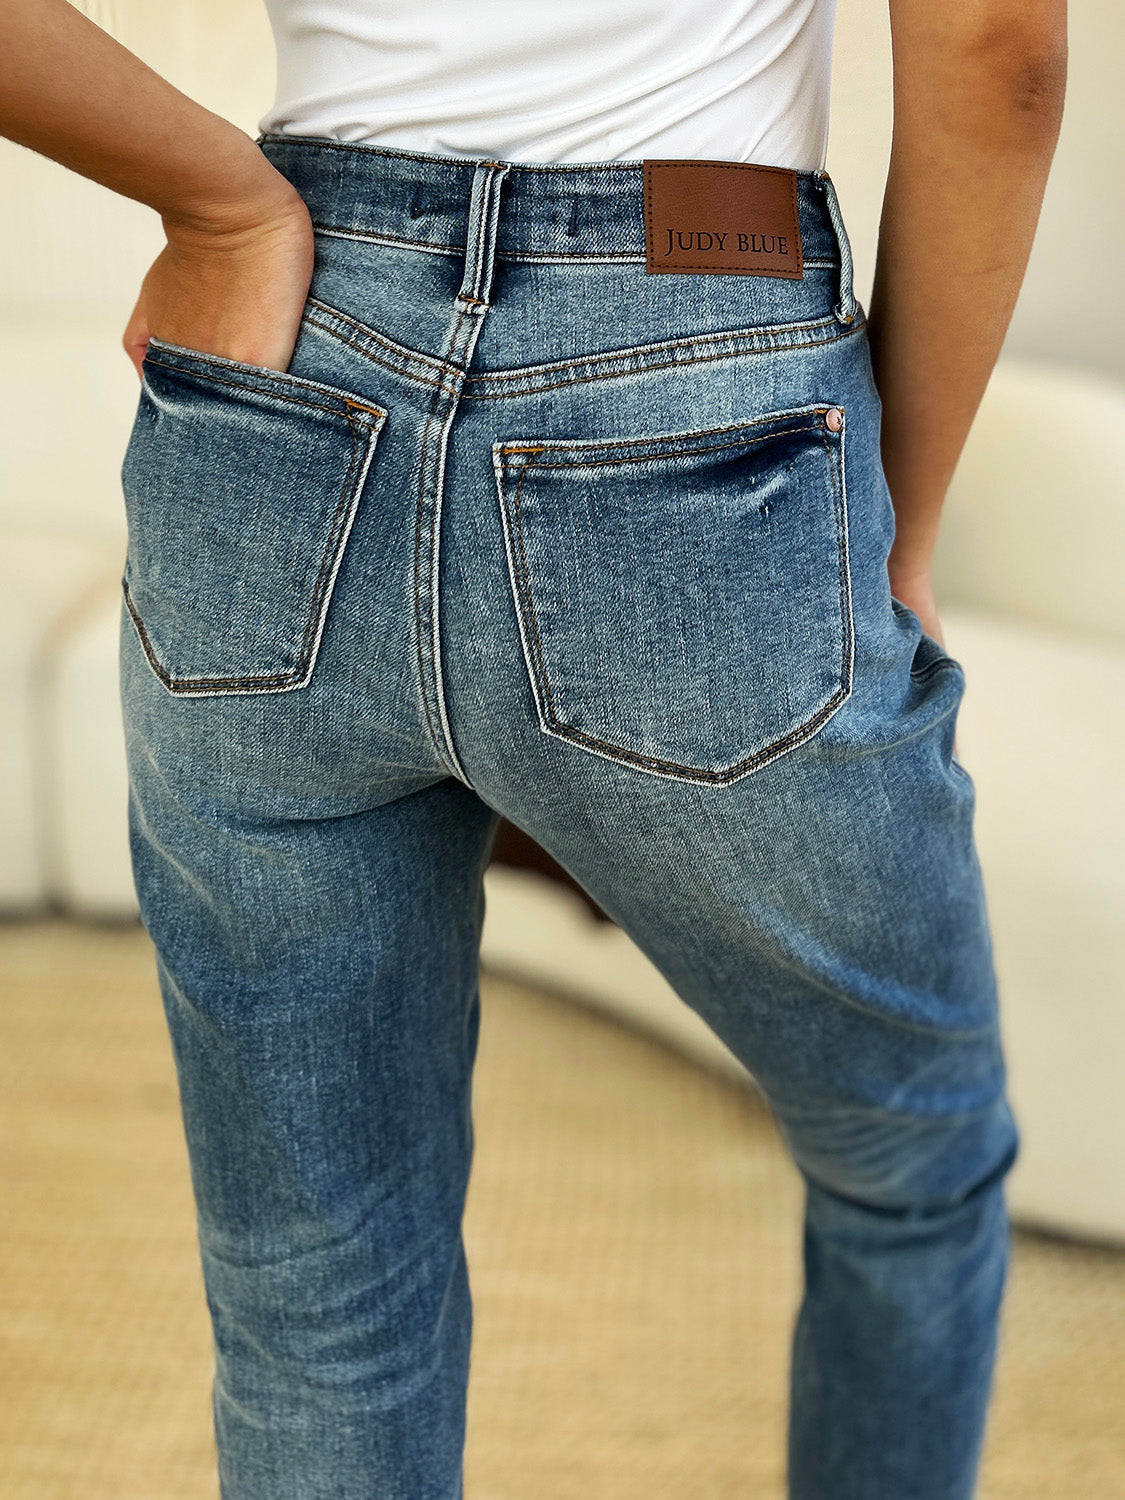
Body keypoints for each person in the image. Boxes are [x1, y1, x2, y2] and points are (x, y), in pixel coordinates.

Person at [0, 1, 1067, 1496]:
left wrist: (216, 201)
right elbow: (995, 46)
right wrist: (903, 516)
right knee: (916, 1165)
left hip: (285, 355)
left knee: (318, 1296)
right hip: (692, 353)